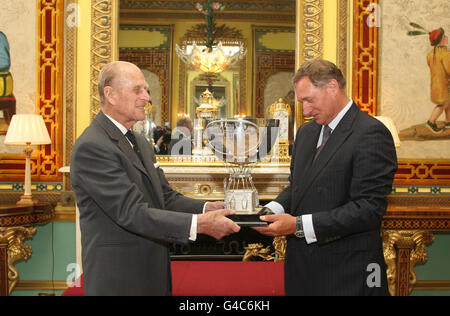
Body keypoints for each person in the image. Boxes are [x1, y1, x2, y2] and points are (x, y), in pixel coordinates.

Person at [70, 61, 240, 296]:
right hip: (118, 279)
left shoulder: (139, 141)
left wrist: (205, 207)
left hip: (151, 271)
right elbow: (131, 212)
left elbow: (164, 197)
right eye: (138, 90)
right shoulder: (93, 146)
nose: (147, 97)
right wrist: (199, 225)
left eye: (146, 90)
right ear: (110, 95)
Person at [253, 59, 398, 296]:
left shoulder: (371, 132)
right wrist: (271, 210)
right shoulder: (306, 132)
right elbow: (298, 187)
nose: (306, 111)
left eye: (309, 100)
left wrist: (298, 225)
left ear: (332, 87)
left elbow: (368, 209)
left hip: (348, 273)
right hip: (302, 269)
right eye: (301, 102)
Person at [426, 28, 450, 133]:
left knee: (448, 102)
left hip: (436, 84)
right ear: (441, 40)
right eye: (444, 36)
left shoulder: (431, 54)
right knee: (443, 104)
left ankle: (448, 121)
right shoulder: (445, 54)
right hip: (445, 84)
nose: (447, 38)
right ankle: (431, 121)